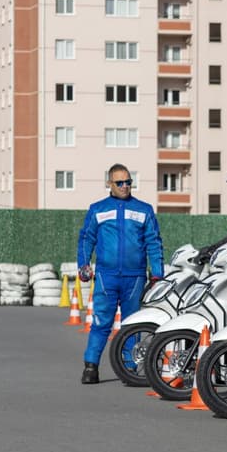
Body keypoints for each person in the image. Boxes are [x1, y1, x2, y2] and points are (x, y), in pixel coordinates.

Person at [77, 163, 164, 384]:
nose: (125, 186)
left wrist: (157, 273)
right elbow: (87, 238)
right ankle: (91, 366)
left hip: (135, 277)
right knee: (101, 322)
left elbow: (153, 242)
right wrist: (83, 265)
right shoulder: (98, 209)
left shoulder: (144, 209)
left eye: (128, 182)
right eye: (120, 183)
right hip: (107, 276)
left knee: (131, 325)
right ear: (109, 184)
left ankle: (129, 368)